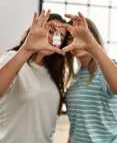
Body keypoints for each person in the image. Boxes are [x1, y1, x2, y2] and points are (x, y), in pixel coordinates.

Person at [0, 10, 71, 143]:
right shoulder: (12, 58)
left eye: (60, 36)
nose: (54, 37)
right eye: (50, 31)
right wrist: (27, 49)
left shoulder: (54, 73)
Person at [60, 13, 117, 143]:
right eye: (70, 38)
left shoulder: (106, 69)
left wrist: (92, 45)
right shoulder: (73, 79)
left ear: (92, 38)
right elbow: (77, 126)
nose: (75, 41)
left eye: (80, 36)